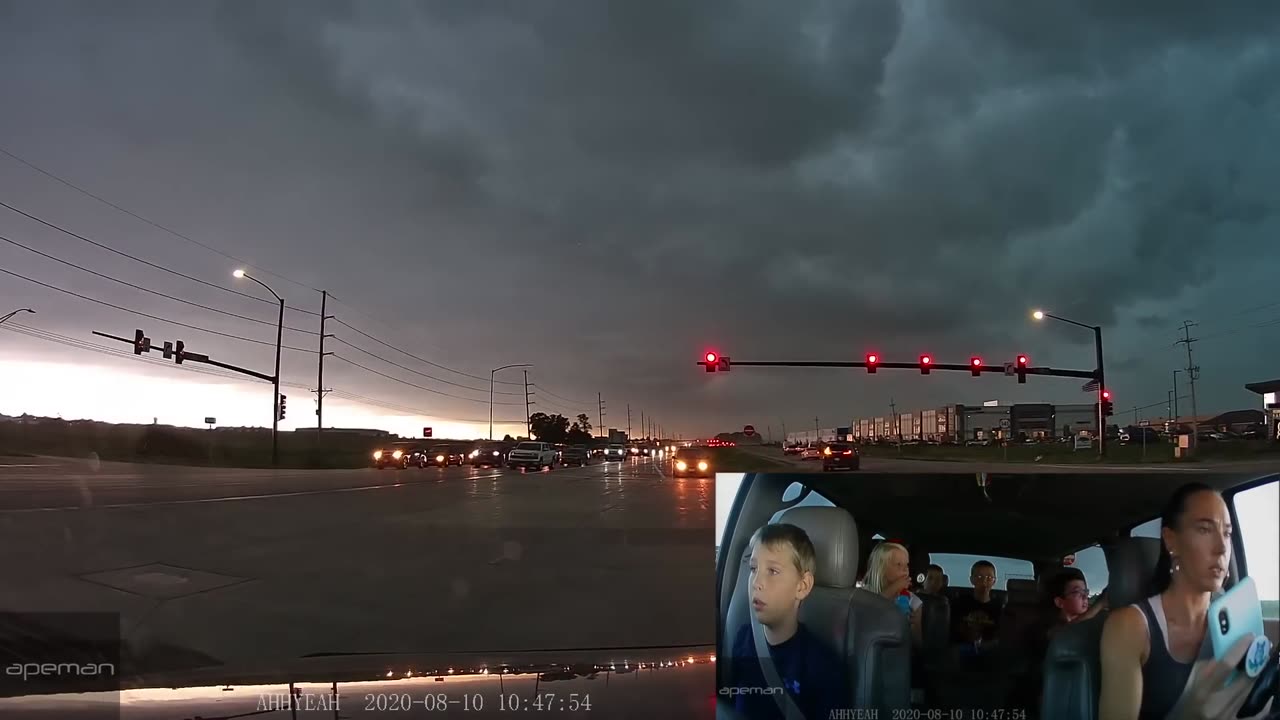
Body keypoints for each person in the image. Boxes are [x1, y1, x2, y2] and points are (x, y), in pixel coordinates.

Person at [1099, 482, 1268, 720]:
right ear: (1171, 541)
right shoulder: (1129, 626)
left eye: (1227, 533)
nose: (1222, 548)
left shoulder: (1236, 617)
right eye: (1204, 530)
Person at [729, 523, 851, 719]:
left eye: (773, 571)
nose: (756, 582)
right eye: (753, 568)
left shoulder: (823, 668)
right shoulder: (743, 639)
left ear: (802, 586)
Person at [861, 541, 923, 645]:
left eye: (906, 564)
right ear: (881, 568)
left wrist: (914, 627)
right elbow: (866, 620)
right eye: (898, 564)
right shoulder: (864, 593)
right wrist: (892, 589)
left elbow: (918, 645)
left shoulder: (914, 602)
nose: (905, 569)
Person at [950, 560, 1002, 651]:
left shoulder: (1000, 607)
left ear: (994, 581)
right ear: (972, 580)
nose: (984, 581)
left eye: (989, 577)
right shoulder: (959, 603)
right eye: (979, 576)